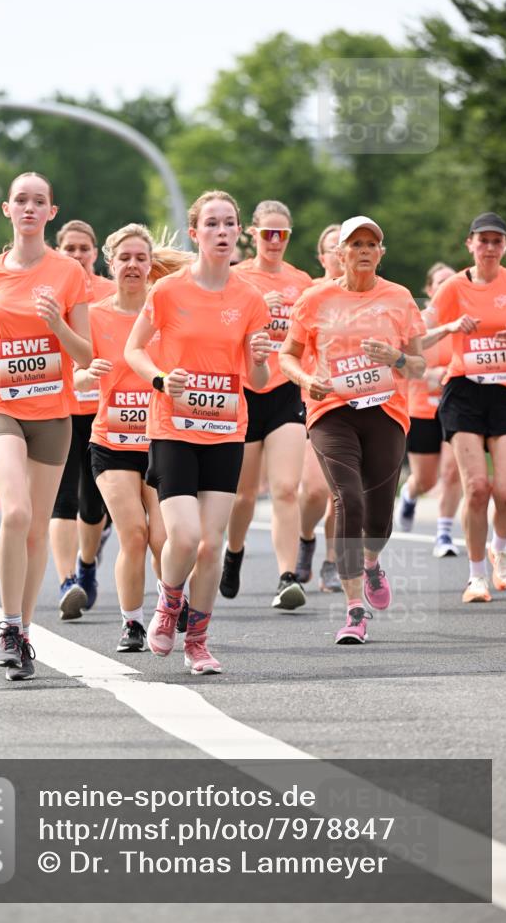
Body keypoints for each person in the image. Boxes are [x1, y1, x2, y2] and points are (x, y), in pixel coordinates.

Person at [125, 190, 272, 674]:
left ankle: (199, 643)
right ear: (195, 233)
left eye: (230, 223)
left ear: (238, 233)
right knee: (183, 537)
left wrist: (258, 359)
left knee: (212, 543)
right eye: (212, 224)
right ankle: (169, 603)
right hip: (173, 427)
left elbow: (259, 383)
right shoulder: (167, 292)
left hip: (227, 430)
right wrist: (161, 380)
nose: (223, 232)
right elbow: (135, 351)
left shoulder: (251, 299)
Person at [0, 172, 92, 680]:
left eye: (39, 201)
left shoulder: (68, 273)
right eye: (21, 201)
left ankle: (25, 634)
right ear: (6, 210)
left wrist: (57, 325)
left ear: (51, 212)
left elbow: (86, 352)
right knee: (15, 512)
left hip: (53, 413)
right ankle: (8, 628)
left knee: (37, 527)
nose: (30, 208)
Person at [280, 216, 426, 644]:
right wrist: (306, 380)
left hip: (386, 411)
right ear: (338, 253)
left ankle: (372, 563)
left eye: (371, 244)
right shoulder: (315, 298)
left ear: (381, 253)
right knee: (348, 498)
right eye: (355, 244)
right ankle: (354, 609)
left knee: (378, 514)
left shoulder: (398, 298)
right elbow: (287, 355)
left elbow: (418, 365)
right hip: (331, 410)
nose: (363, 250)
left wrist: (395, 358)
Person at [74, 227, 186, 651]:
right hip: (111, 441)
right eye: (125, 258)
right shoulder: (97, 314)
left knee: (163, 538)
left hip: (162, 439)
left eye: (142, 257)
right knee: (134, 533)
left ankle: (172, 604)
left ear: (150, 264)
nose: (134, 265)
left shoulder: (166, 313)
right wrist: (88, 375)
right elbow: (78, 373)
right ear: (111, 263)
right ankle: (132, 623)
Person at [219, 200, 313, 609]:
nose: (275, 241)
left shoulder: (302, 281)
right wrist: (258, 314)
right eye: (267, 233)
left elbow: (312, 335)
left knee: (286, 489)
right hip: (243, 391)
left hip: (285, 392)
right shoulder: (236, 277)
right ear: (252, 235)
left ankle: (287, 577)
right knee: (242, 495)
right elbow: (218, 329)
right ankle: (234, 552)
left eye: (283, 234)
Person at [425, 212, 506, 602]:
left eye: (497, 241)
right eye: (483, 240)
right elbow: (416, 339)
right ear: (470, 244)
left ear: (505, 246)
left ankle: (500, 548)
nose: (490, 247)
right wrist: (448, 328)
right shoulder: (452, 288)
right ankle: (476, 576)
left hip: (505, 391)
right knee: (477, 488)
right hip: (463, 390)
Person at [52, 220, 115, 619]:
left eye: (83, 248)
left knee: (95, 505)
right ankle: (67, 582)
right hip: (59, 406)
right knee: (64, 500)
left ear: (94, 253)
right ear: (60, 251)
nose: (77, 255)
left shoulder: (110, 292)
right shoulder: (50, 291)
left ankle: (87, 564)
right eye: (69, 249)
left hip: (106, 409)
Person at [396, 262, 463, 557]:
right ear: (429, 290)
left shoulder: (465, 324)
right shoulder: (418, 323)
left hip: (457, 409)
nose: (446, 288)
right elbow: (399, 361)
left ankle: (444, 535)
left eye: (452, 282)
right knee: (427, 479)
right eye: (440, 284)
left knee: (452, 472)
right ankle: (409, 493)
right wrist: (428, 375)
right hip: (422, 409)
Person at [296, 224, 343, 592]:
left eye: (346, 246)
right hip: (315, 401)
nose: (341, 254)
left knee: (340, 491)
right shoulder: (309, 294)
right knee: (314, 490)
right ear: (322, 256)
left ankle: (331, 560)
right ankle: (304, 536)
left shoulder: (373, 295)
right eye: (333, 248)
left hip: (356, 403)